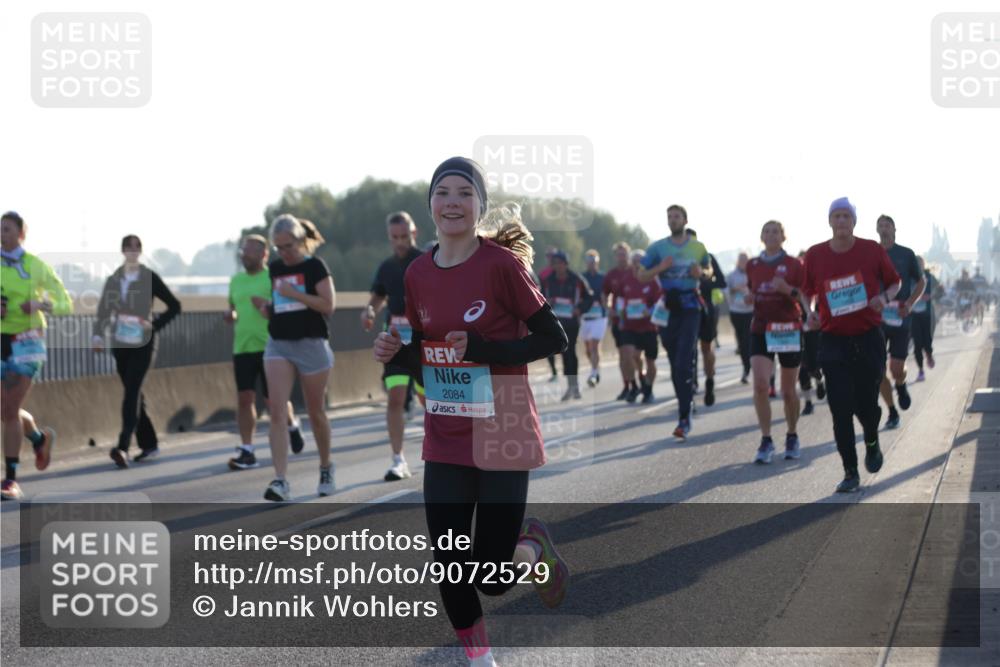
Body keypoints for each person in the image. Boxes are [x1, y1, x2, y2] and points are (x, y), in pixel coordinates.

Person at [373, 157, 570, 667]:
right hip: (447, 432)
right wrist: (399, 352)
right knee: (450, 566)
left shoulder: (501, 266)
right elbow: (431, 355)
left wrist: (487, 348)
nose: (453, 201)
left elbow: (554, 337)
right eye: (443, 192)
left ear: (479, 205)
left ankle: (531, 548)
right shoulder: (417, 273)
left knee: (491, 577)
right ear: (431, 206)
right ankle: (481, 660)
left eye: (465, 192)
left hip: (503, 426)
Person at [803, 197, 900, 493]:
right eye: (837, 216)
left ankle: (872, 439)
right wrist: (809, 313)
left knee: (867, 407)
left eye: (847, 216)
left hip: (868, 337)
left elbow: (894, 283)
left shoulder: (871, 249)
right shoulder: (816, 254)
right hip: (833, 341)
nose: (842, 221)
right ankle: (850, 471)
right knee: (840, 409)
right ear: (830, 221)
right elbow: (806, 292)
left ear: (854, 221)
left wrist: (883, 299)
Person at [256, 215, 336, 501]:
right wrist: (270, 307)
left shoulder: (315, 266)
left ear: (301, 241)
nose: (283, 253)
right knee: (276, 411)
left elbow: (328, 306)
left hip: (311, 344)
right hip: (279, 343)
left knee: (315, 413)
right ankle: (280, 480)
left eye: (288, 246)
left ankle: (326, 468)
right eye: (278, 248)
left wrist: (294, 293)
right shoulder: (275, 268)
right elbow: (282, 302)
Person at [93, 234, 181, 468]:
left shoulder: (149, 277)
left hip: (144, 342)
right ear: (122, 251)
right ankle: (149, 444)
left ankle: (122, 446)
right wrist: (97, 335)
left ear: (141, 251)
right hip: (121, 344)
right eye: (128, 247)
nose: (132, 251)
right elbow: (103, 310)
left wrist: (154, 325)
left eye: (137, 247)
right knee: (135, 394)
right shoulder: (114, 279)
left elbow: (175, 306)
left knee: (132, 391)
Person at [1, 211, 71, 500]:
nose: (1, 234)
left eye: (7, 229)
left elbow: (65, 304)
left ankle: (11, 480)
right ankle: (39, 439)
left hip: (28, 344)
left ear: (21, 234)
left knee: (9, 409)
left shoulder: (36, 266)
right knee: (6, 411)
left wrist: (40, 304)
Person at [223, 234, 304, 470]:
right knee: (244, 398)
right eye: (243, 252)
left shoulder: (273, 277)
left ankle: (292, 425)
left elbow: (285, 308)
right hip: (242, 347)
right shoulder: (235, 280)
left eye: (249, 251)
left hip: (271, 346)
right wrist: (231, 315)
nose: (244, 255)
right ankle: (247, 450)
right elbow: (233, 308)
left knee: (274, 401)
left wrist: (267, 308)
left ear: (263, 254)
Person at [638, 205, 711, 440]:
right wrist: (660, 267)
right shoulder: (658, 248)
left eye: (676, 216)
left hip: (691, 307)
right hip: (668, 309)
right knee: (673, 360)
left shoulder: (698, 247)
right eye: (669, 217)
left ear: (685, 220)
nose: (672, 220)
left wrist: (701, 272)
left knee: (683, 360)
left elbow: (710, 272)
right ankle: (686, 403)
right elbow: (640, 275)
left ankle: (684, 416)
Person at [362, 211, 425, 481]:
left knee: (429, 401)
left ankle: (442, 452)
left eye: (404, 236)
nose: (400, 242)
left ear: (414, 233)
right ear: (389, 237)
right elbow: (377, 296)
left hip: (425, 339)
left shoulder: (426, 262)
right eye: (394, 237)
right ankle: (398, 460)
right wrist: (369, 311)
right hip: (395, 339)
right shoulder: (386, 267)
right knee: (395, 398)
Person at [745, 221, 810, 463]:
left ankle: (792, 434)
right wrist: (750, 296)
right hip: (761, 328)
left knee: (787, 391)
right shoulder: (753, 264)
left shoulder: (794, 264)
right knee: (761, 385)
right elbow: (752, 291)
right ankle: (766, 439)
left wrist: (787, 289)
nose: (771, 235)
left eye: (776, 231)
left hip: (787, 328)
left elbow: (805, 296)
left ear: (784, 237)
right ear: (761, 236)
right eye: (767, 231)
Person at [874, 215, 925, 430]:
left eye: (887, 225)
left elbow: (921, 282)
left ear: (895, 229)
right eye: (880, 225)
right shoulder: (871, 254)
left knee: (896, 368)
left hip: (900, 316)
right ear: (876, 230)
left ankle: (901, 384)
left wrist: (910, 304)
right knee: (877, 371)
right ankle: (892, 410)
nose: (884, 228)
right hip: (876, 318)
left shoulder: (905, 254)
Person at [541, 250, 594, 401]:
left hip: (571, 322)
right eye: (554, 264)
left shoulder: (577, 279)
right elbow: (540, 297)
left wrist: (580, 309)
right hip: (556, 322)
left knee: (570, 350)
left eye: (559, 263)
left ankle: (574, 385)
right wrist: (547, 303)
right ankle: (571, 386)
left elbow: (589, 297)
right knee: (564, 352)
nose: (557, 266)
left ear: (566, 264)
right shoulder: (548, 280)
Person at [619, 249, 663, 404]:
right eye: (635, 260)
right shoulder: (626, 279)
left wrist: (649, 311)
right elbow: (619, 298)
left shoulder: (652, 279)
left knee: (650, 361)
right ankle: (635, 385)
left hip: (649, 326)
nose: (637, 263)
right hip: (630, 325)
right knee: (629, 355)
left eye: (640, 260)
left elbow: (661, 301)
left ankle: (648, 388)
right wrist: (620, 311)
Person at [687, 229, 725, 407]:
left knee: (706, 348)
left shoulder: (707, 257)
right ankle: (691, 385)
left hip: (706, 309)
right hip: (685, 310)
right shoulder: (676, 262)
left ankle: (709, 381)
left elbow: (722, 282)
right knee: (687, 351)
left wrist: (703, 280)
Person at [602, 242, 636, 400]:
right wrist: (608, 308)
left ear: (628, 255)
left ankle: (639, 380)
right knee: (623, 355)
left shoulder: (635, 271)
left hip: (636, 319)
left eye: (624, 254)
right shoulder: (611, 274)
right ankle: (628, 385)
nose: (621, 257)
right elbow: (604, 294)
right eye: (619, 255)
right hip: (619, 320)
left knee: (635, 355)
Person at [796, 250, 825, 416]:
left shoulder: (816, 280)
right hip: (797, 330)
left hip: (814, 330)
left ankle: (820, 381)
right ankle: (808, 402)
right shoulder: (792, 283)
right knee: (802, 369)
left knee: (815, 366)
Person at [579, 249, 607, 388]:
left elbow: (609, 294)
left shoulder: (603, 277)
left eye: (594, 262)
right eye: (589, 262)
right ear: (586, 263)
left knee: (595, 346)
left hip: (599, 316)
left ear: (597, 262)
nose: (591, 264)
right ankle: (595, 367)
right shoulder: (581, 277)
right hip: (586, 316)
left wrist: (606, 300)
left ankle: (594, 373)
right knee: (588, 350)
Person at [727, 252, 754, 383]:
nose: (743, 262)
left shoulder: (753, 273)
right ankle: (746, 366)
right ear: (738, 261)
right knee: (742, 342)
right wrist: (735, 289)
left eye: (745, 260)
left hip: (750, 311)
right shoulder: (732, 275)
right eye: (741, 260)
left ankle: (749, 367)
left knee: (748, 340)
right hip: (736, 311)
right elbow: (725, 291)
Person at [911, 256, 937, 381]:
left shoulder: (929, 276)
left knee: (927, 339)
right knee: (917, 344)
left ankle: (929, 354)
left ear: (923, 264)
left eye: (920, 263)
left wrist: (930, 295)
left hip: (927, 314)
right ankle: (921, 370)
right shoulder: (909, 276)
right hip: (913, 315)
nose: (918, 265)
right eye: (916, 263)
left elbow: (939, 290)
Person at [538, 247, 560, 382]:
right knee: (548, 340)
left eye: (553, 256)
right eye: (549, 256)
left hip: (564, 311)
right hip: (548, 309)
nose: (551, 259)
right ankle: (554, 371)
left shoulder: (562, 271)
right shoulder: (543, 273)